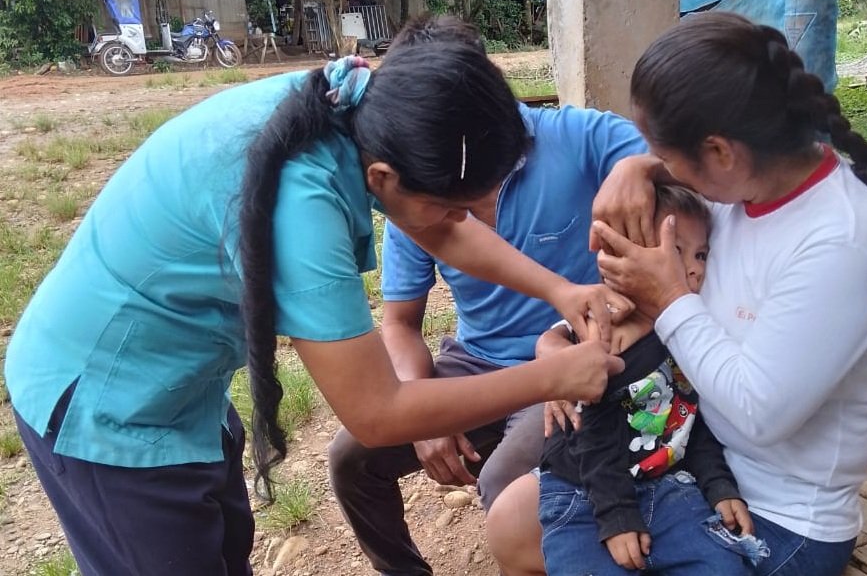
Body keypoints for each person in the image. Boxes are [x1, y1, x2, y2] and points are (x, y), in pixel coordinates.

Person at [5, 36, 629, 576]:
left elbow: (439, 227)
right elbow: (377, 413)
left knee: (221, 551)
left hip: (179, 392)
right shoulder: (299, 206)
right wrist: (550, 376)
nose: (466, 222)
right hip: (105, 405)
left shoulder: (353, 100)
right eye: (452, 204)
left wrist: (559, 290)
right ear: (383, 179)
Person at [488, 12, 867, 576]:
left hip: (776, 511)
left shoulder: (845, 243)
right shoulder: (730, 196)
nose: (663, 168)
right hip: (681, 457)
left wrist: (667, 299)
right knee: (512, 519)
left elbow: (758, 414)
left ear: (719, 152)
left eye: (665, 155)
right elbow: (627, 309)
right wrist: (560, 349)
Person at [328, 15, 649, 576]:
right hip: (477, 364)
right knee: (350, 457)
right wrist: (419, 403)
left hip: (571, 359)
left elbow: (681, 157)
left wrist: (639, 167)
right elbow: (400, 323)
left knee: (506, 488)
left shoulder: (573, 137)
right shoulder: (415, 178)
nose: (456, 213)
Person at [538, 184, 764, 576]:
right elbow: (593, 437)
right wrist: (618, 515)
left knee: (724, 566)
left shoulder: (690, 332)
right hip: (584, 491)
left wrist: (718, 486)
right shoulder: (607, 336)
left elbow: (692, 419)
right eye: (676, 251)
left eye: (701, 254)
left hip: (667, 484)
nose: (694, 268)